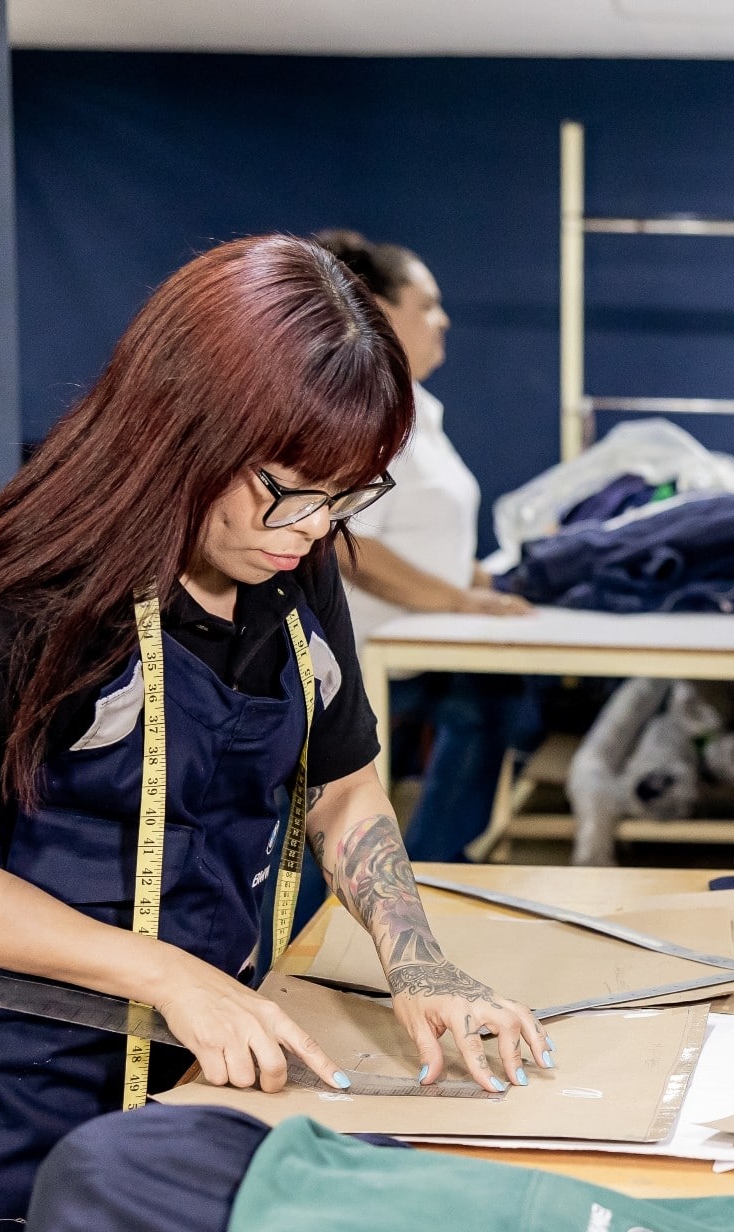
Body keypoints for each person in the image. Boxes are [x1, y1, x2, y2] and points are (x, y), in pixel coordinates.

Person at [0, 236, 551, 1232]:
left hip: (212, 1075)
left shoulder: (290, 558)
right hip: (12, 1103)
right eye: (289, 490)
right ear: (184, 426)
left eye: (347, 496)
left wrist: (420, 963)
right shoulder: (20, 598)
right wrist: (166, 973)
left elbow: (347, 782)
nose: (314, 529)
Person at [311, 230, 537, 866]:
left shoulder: (418, 412)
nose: (443, 320)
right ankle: (308, 936)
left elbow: (420, 530)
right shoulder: (364, 410)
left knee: (491, 702)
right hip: (362, 652)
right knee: (332, 816)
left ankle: (434, 872)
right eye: (428, 303)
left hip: (421, 640)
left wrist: (484, 586)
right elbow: (350, 542)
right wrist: (459, 600)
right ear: (380, 312)